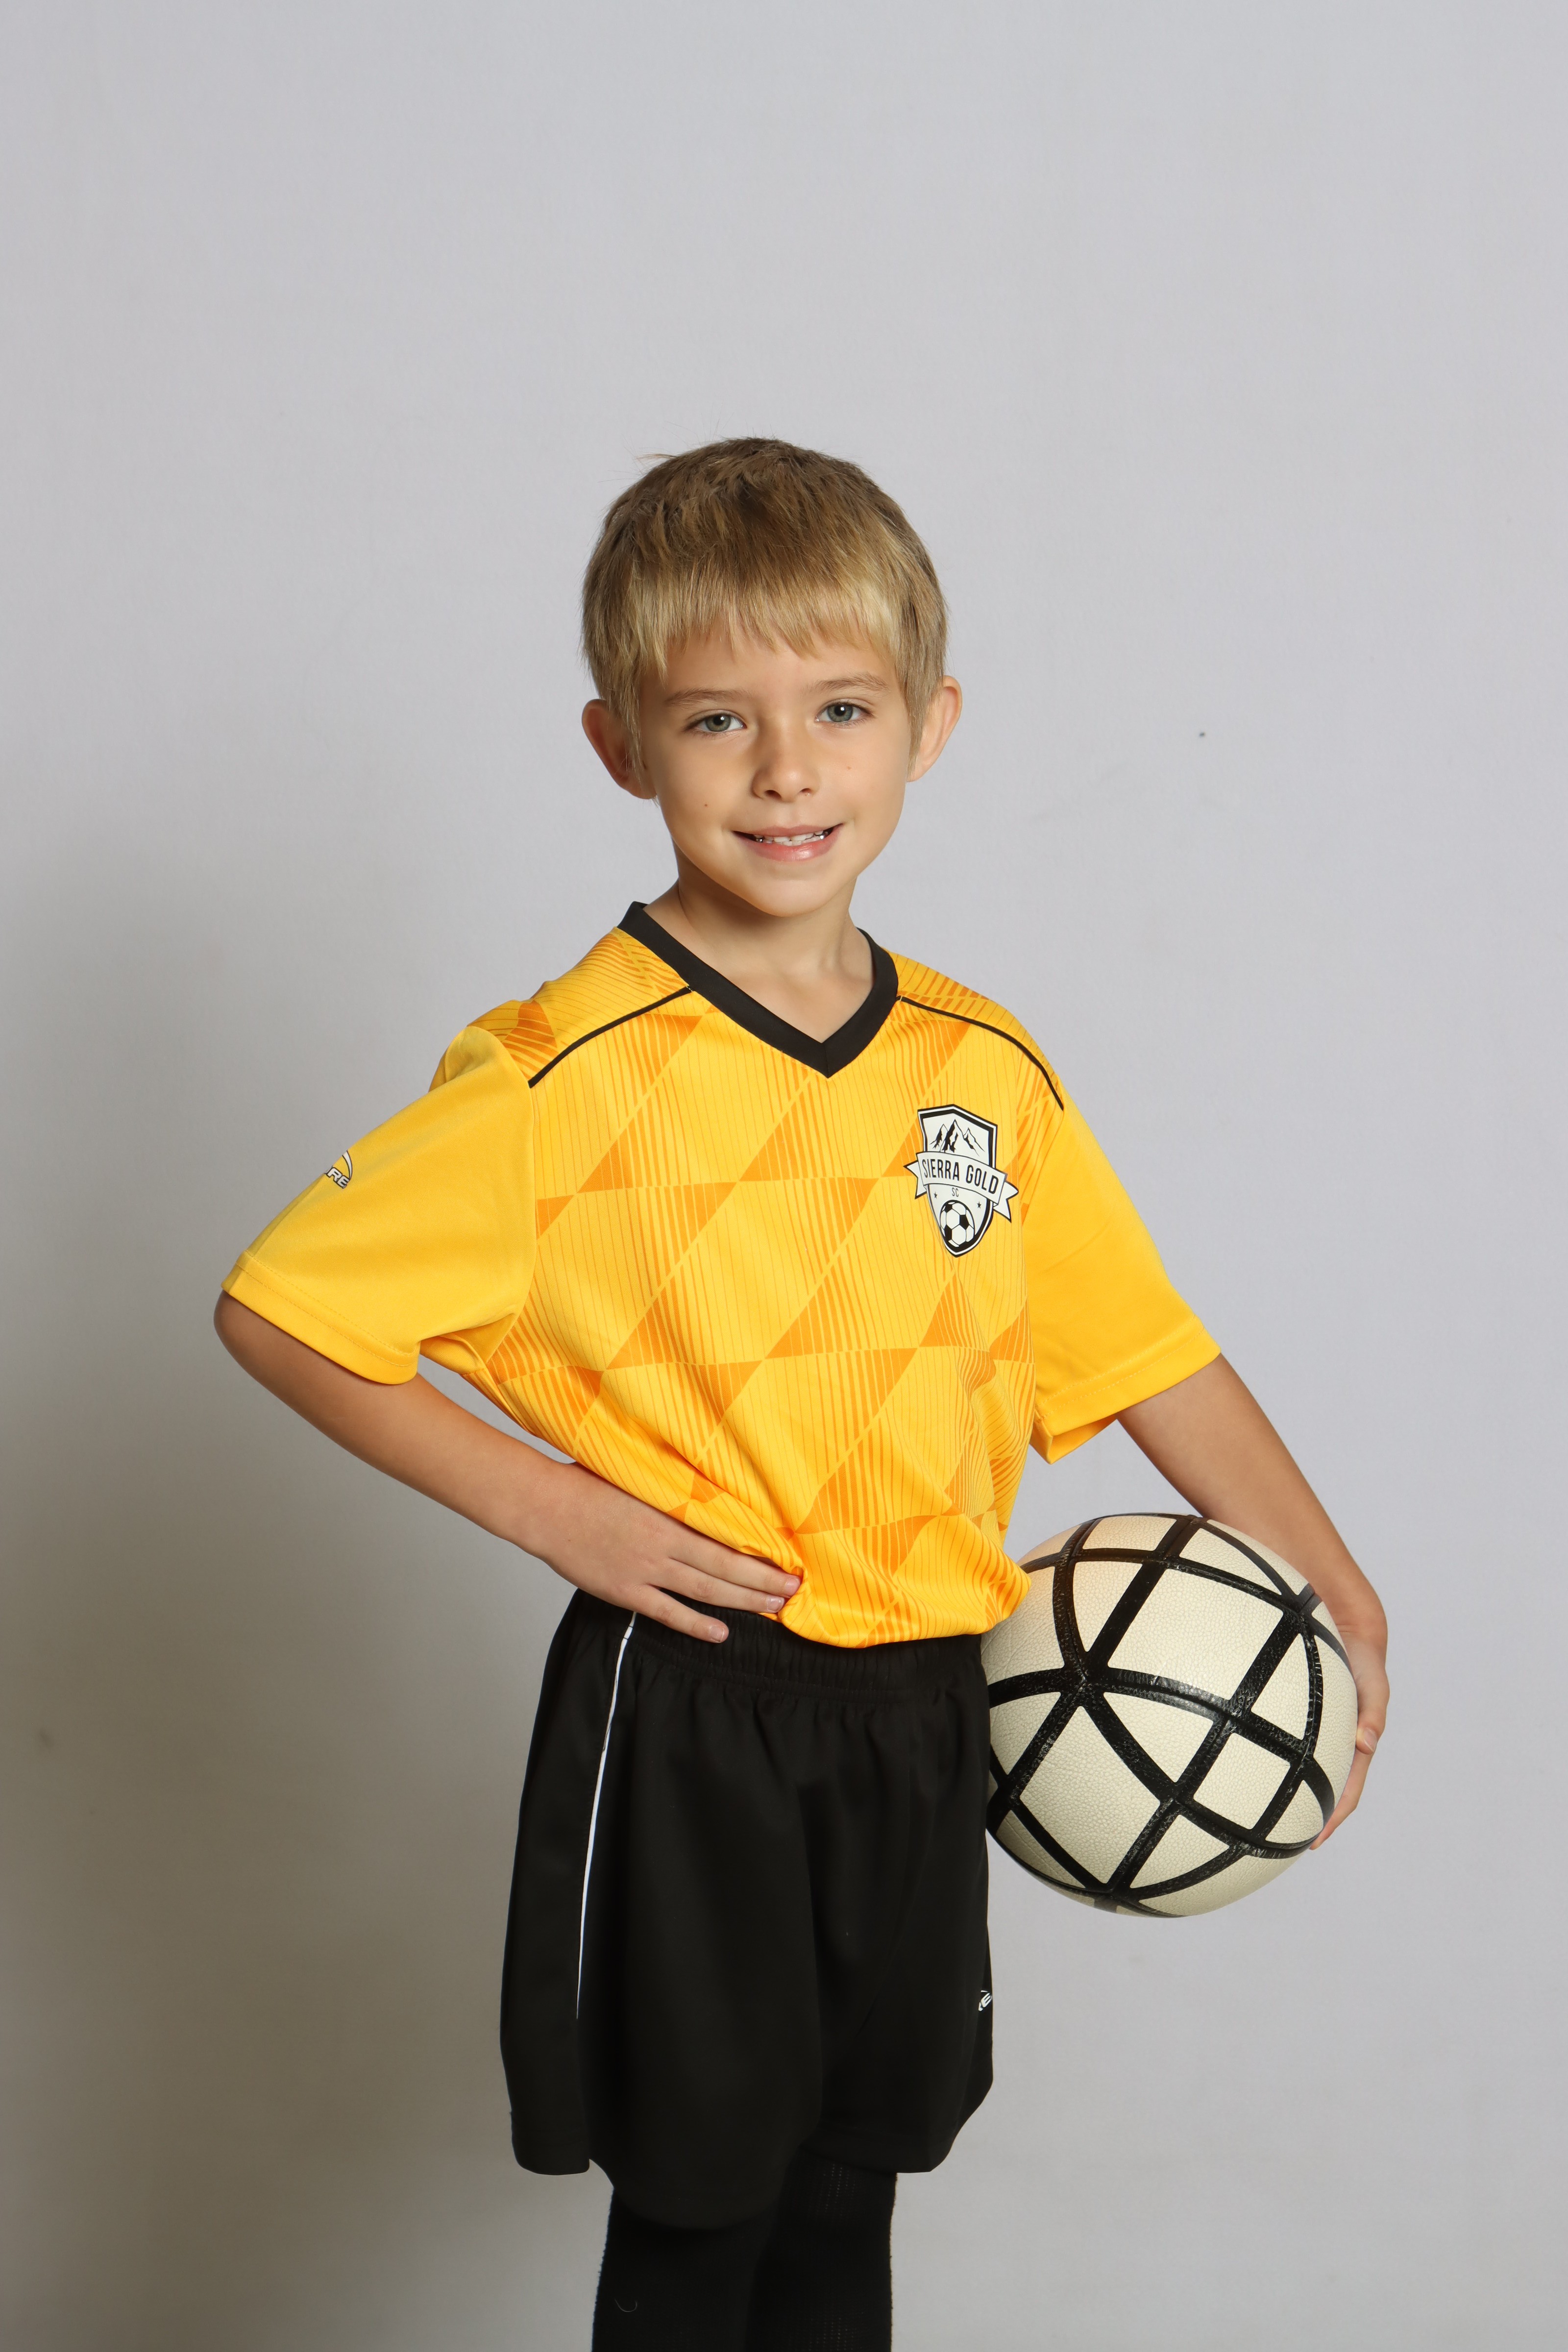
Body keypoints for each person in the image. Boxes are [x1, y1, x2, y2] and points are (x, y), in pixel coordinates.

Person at [214, 438, 1389, 2350]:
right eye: (716, 720)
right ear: (619, 748)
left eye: (839, 710)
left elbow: (1140, 1350)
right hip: (698, 1705)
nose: (785, 771)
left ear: (929, 726)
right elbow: (283, 1313)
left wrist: (1329, 1584)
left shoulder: (982, 1068)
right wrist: (560, 1513)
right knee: (704, 2208)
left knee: (852, 2181)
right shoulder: (559, 1074)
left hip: (928, 1696)